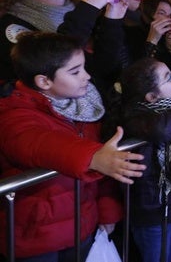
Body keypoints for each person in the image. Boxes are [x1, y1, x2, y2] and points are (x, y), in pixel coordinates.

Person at [0, 32, 146, 260]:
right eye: (75, 71)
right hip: (36, 236)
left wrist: (107, 211)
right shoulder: (14, 113)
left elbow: (105, 166)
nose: (87, 76)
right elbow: (38, 142)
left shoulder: (84, 106)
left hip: (82, 225)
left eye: (84, 67)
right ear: (44, 81)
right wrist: (93, 157)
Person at [108, 57, 171, 262]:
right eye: (169, 79)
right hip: (151, 210)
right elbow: (162, 129)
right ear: (151, 96)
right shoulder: (136, 118)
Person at [0, 0, 127, 85]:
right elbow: (57, 65)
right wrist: (88, 8)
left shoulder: (70, 12)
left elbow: (102, 69)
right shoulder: (10, 25)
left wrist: (112, 21)